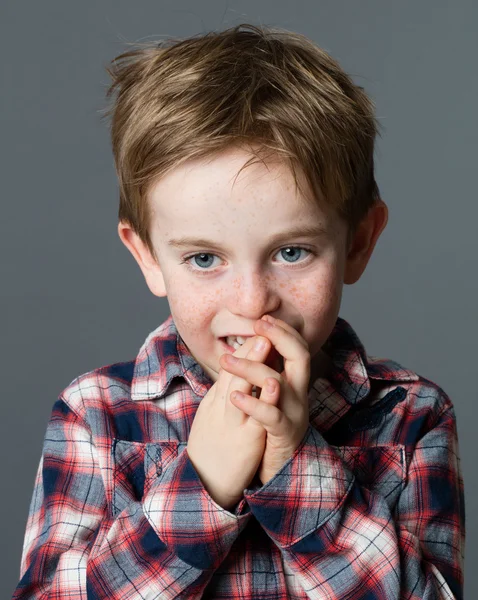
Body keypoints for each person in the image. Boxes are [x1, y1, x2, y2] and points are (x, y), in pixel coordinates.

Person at [13, 23, 465, 599]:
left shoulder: (409, 418)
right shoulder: (98, 417)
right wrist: (201, 484)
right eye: (205, 258)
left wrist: (297, 467)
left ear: (358, 243)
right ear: (148, 257)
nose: (252, 302)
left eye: (292, 252)